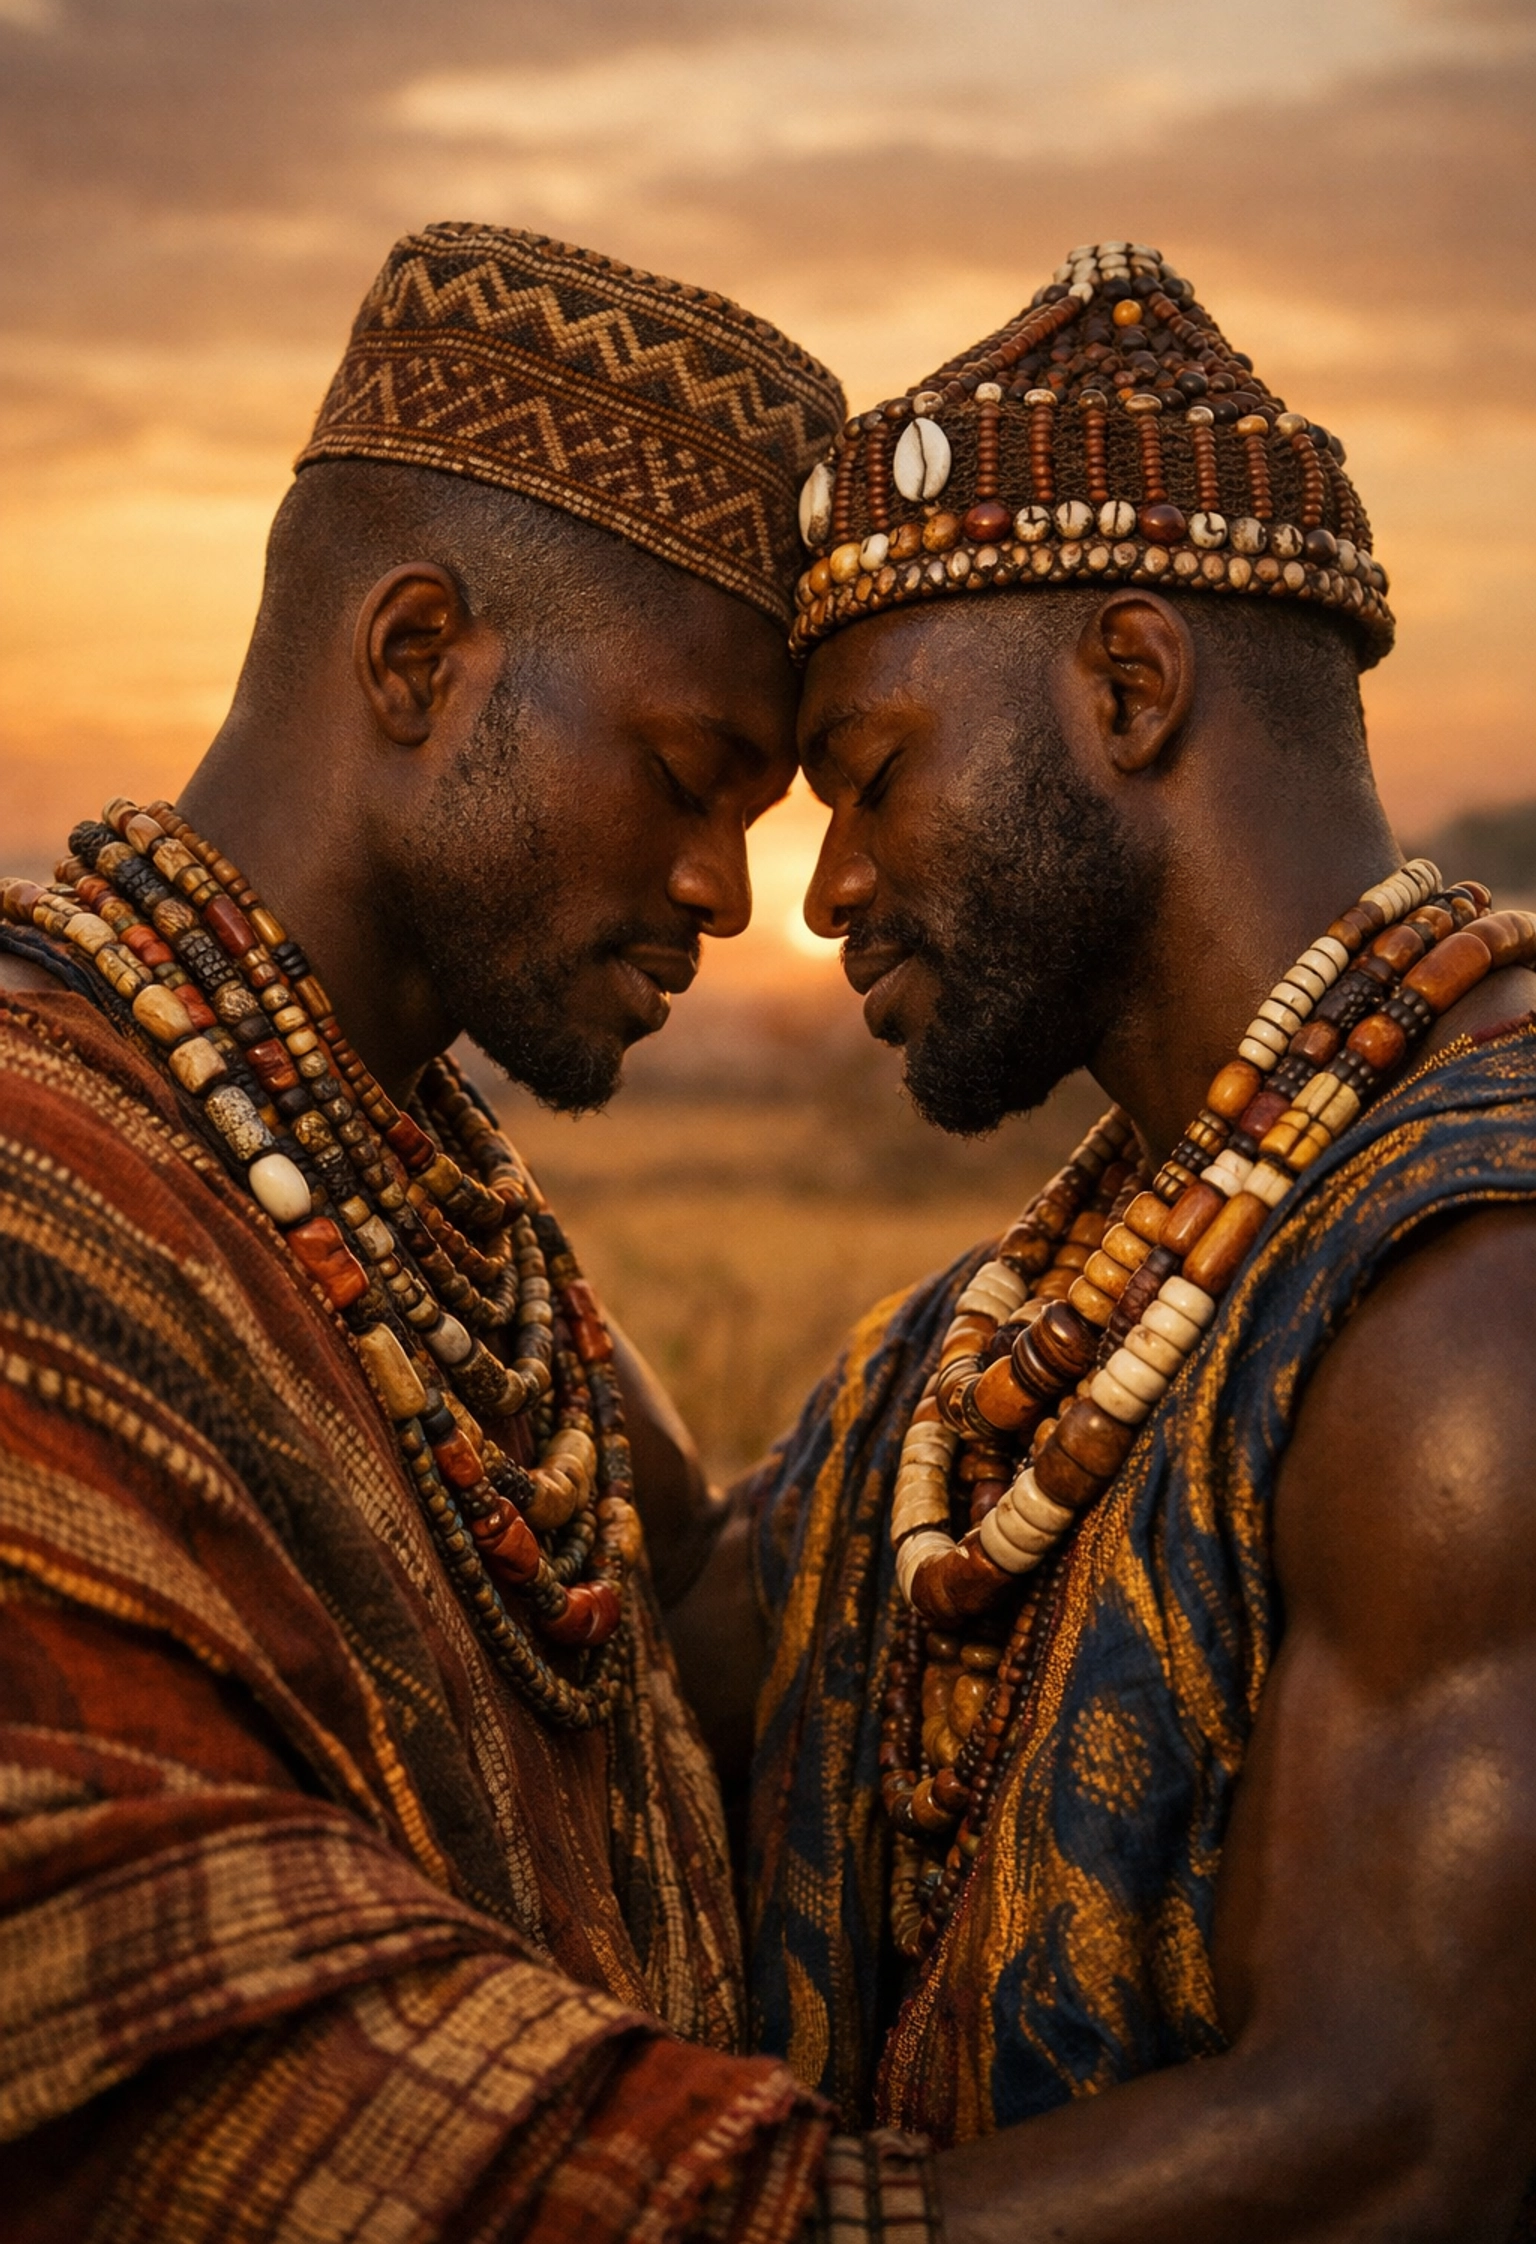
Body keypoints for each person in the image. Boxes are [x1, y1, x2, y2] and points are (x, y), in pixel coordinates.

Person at [0, 221, 894, 2242]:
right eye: (689, 776)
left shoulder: (439, 1218)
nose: (725, 891)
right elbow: (186, 2056)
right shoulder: (42, 1196)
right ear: (417, 659)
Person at [675, 241, 1536, 2236]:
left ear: (1130, 688)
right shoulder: (992, 1347)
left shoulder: (1474, 1306)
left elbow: (1395, 2140)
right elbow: (658, 1630)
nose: (831, 893)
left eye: (870, 776)